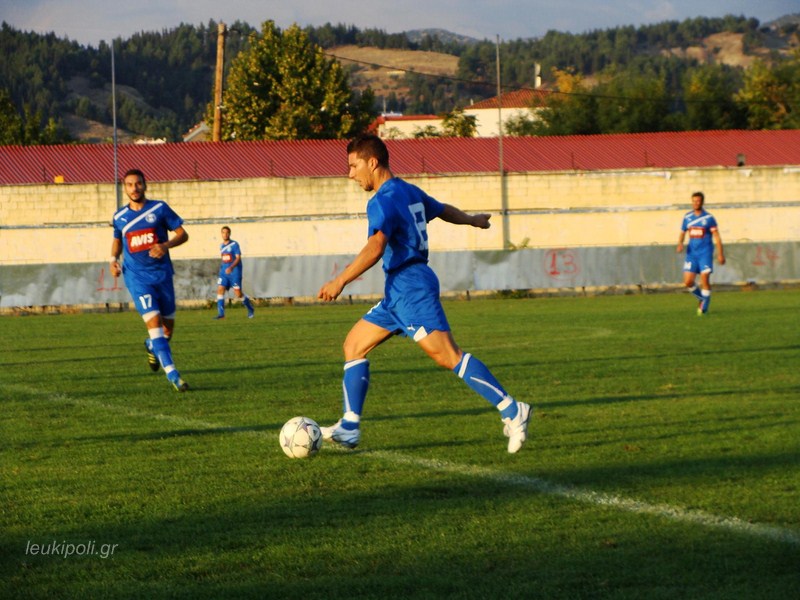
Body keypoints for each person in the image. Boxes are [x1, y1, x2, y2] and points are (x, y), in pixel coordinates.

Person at [317, 133, 531, 453]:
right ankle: (349, 426)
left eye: (353, 166)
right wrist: (473, 220)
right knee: (354, 344)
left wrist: (340, 281)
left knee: (449, 356)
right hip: (398, 289)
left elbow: (376, 246)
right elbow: (442, 210)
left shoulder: (381, 199)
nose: (350, 174)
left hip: (411, 286)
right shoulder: (409, 191)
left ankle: (513, 410)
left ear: (372, 163)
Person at [110, 168, 189, 392]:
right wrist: (112, 259)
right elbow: (117, 240)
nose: (134, 188)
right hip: (137, 277)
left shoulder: (159, 209)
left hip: (162, 275)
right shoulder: (119, 217)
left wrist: (165, 245)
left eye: (138, 184)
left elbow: (183, 234)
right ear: (124, 188)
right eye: (129, 185)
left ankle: (151, 346)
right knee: (153, 323)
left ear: (145, 185)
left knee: (167, 331)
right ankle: (174, 375)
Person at [676, 191, 725, 315]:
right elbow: (682, 232)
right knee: (688, 282)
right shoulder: (687, 217)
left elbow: (717, 237)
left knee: (704, 279)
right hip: (691, 254)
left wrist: (720, 254)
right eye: (694, 201)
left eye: (698, 201)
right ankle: (702, 298)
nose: (696, 203)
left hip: (705, 253)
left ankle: (704, 308)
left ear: (702, 202)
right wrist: (680, 243)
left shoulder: (708, 218)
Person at [214, 226, 255, 319]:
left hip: (235, 272)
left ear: (229, 234)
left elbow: (238, 258)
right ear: (221, 234)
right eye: (223, 232)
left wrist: (231, 267)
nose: (225, 234)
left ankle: (250, 308)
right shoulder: (221, 246)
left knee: (238, 293)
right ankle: (221, 314)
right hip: (224, 273)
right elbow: (224, 259)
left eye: (227, 232)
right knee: (220, 289)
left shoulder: (234, 244)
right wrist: (222, 269)